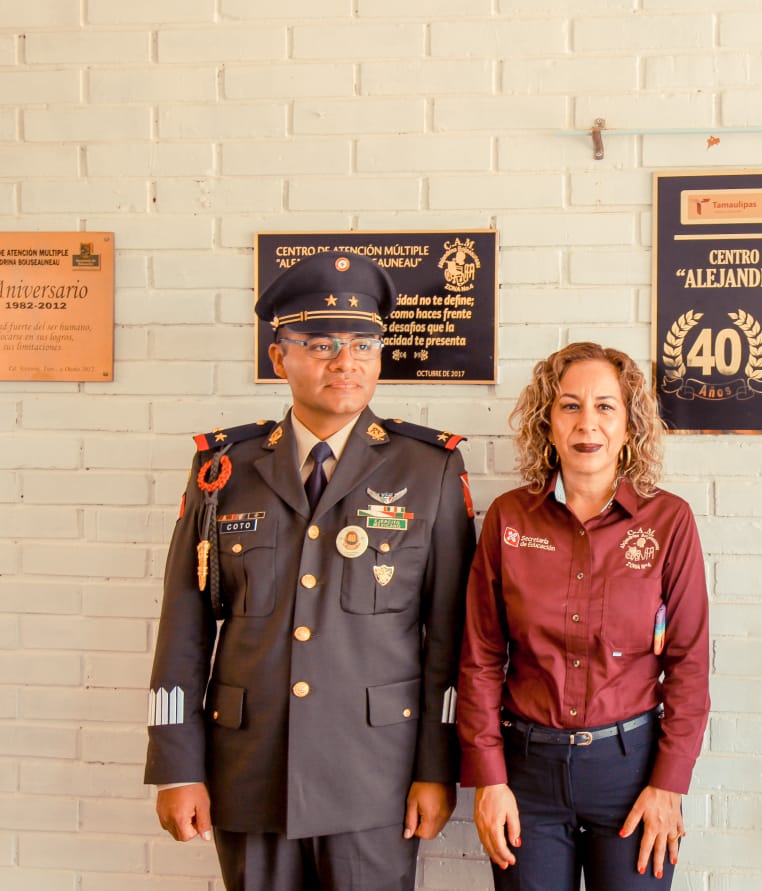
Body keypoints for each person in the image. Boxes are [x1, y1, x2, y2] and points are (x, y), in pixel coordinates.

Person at [144, 251, 476, 890]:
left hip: (374, 775)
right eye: (321, 344)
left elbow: (450, 639)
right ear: (279, 357)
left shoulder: (428, 470)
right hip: (250, 768)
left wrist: (438, 768)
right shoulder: (226, 469)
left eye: (363, 344)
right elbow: (183, 626)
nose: (345, 361)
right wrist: (178, 767)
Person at [457, 342, 710, 891]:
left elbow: (689, 665)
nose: (586, 423)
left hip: (633, 774)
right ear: (547, 423)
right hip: (526, 776)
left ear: (628, 426)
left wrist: (669, 784)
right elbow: (479, 660)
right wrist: (489, 779)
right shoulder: (508, 518)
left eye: (605, 407)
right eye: (570, 406)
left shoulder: (669, 521)